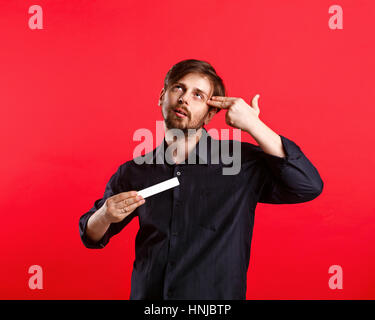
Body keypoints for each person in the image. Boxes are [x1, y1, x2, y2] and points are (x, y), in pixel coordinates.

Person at [78, 59, 323, 300]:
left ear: (210, 113)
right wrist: (104, 216)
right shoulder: (134, 171)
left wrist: (254, 125)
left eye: (198, 95)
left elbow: (308, 185)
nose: (184, 98)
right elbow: (92, 236)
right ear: (162, 96)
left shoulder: (239, 163)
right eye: (179, 88)